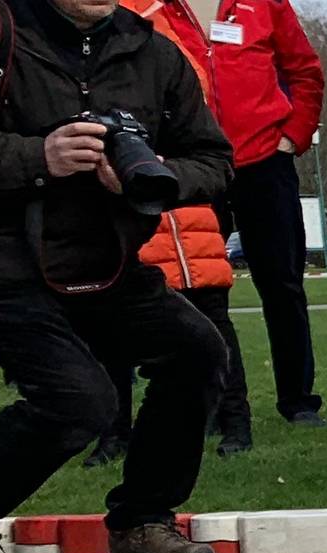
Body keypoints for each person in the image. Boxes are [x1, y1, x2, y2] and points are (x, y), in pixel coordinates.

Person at [0, 0, 236, 553]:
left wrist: (156, 175)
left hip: (106, 259)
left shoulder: (152, 51)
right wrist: (37, 156)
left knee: (196, 351)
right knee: (79, 403)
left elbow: (215, 160)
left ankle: (142, 521)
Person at [83, 0, 255, 464]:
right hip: (127, 210)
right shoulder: (113, 26)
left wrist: (164, 161)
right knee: (110, 328)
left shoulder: (159, 39)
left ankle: (235, 422)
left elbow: (196, 104)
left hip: (183, 204)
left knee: (212, 320)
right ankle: (114, 433)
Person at [198, 0, 325, 428]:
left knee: (283, 285)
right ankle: (218, 402)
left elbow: (305, 70)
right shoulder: (149, 7)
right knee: (201, 294)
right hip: (194, 166)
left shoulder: (266, 3)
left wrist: (294, 135)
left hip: (265, 162)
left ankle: (299, 400)